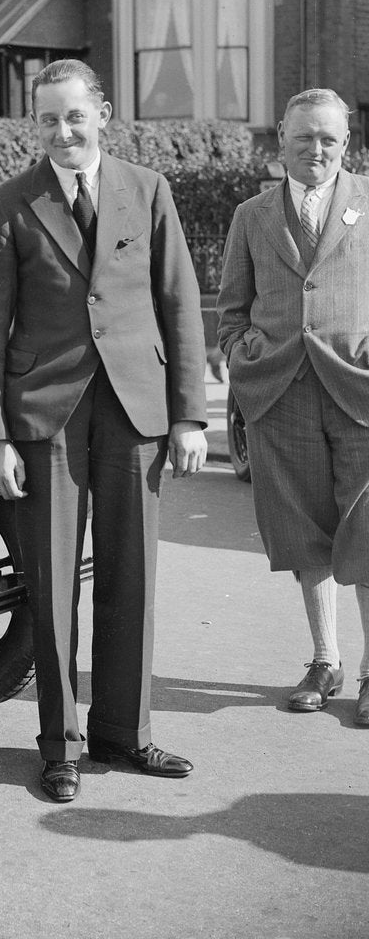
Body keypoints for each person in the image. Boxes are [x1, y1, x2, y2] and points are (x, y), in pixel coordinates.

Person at [0, 59, 208, 803]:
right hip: (47, 415)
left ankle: (125, 734)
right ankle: (61, 745)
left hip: (136, 410)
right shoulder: (10, 203)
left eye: (74, 115)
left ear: (101, 112)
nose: (62, 132)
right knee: (53, 585)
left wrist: (189, 414)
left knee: (133, 576)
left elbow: (179, 302)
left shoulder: (148, 189)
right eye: (48, 119)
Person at [218, 87, 369, 726]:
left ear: (347, 143)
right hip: (281, 391)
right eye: (303, 136)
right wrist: (242, 355)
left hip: (360, 392)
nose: (316, 149)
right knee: (304, 530)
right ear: (281, 138)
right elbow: (231, 308)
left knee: (367, 531)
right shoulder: (251, 215)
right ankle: (325, 660)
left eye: (329, 138)